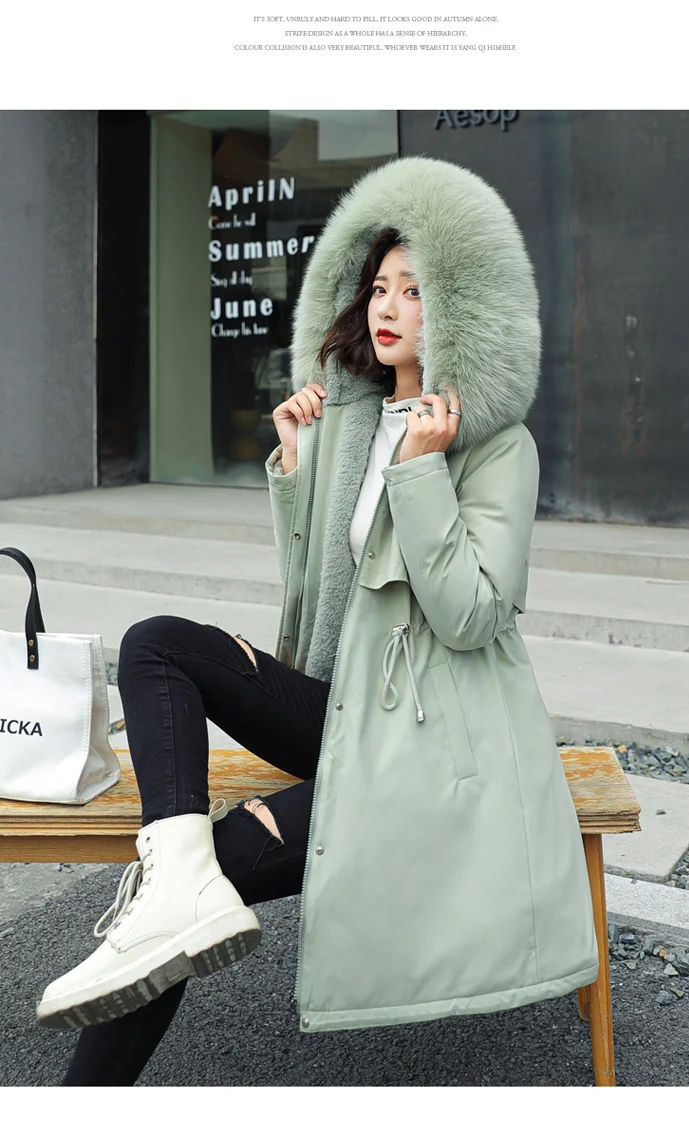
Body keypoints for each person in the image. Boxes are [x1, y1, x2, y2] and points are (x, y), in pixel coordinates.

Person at [40, 156, 599, 1085]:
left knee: (217, 870)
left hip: (421, 740)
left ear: (462, 309)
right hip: (339, 704)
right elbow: (319, 591)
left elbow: (470, 615)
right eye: (378, 286)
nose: (389, 306)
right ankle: (171, 873)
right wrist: (298, 462)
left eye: (415, 290)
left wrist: (423, 470)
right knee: (156, 644)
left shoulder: (499, 446)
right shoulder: (356, 418)